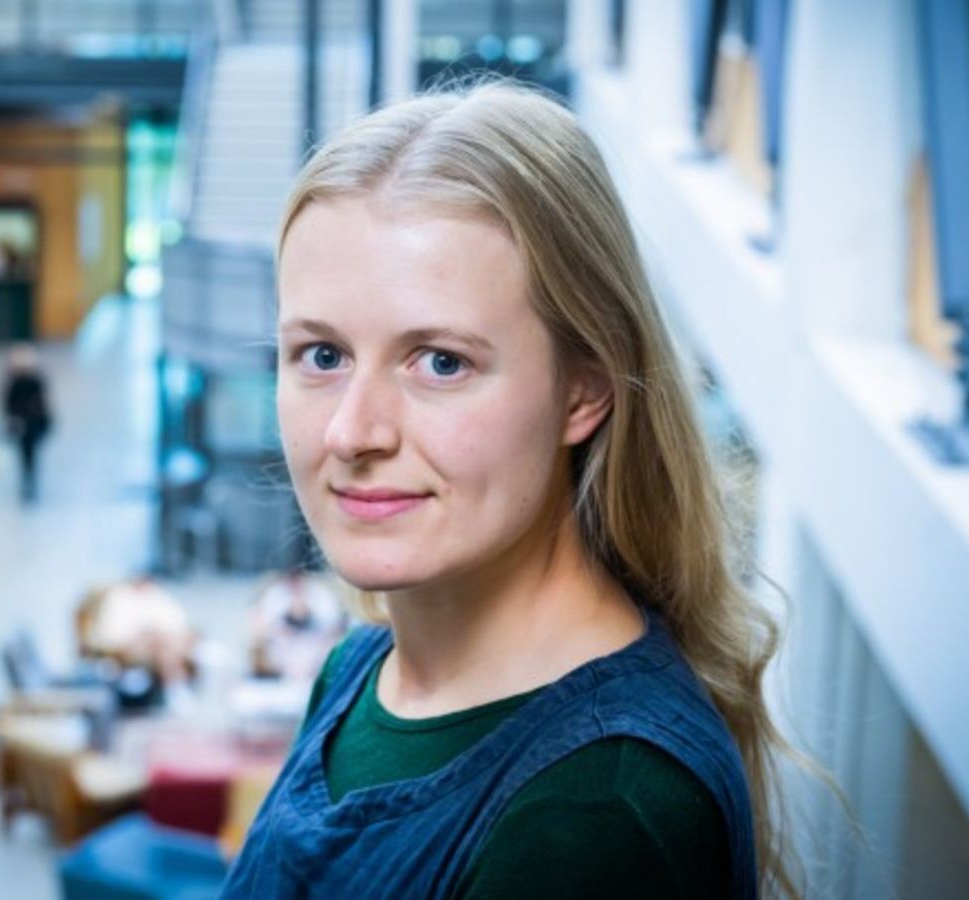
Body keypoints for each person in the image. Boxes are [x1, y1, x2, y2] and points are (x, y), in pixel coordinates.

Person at [222, 83, 801, 899]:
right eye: (321, 356)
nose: (352, 433)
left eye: (441, 362)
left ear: (582, 392)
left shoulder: (594, 813)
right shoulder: (359, 669)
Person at [2, 343, 53, 502]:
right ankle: (27, 483)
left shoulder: (35, 381)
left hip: (32, 426)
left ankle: (30, 483)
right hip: (22, 426)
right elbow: (8, 405)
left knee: (30, 456)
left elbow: (44, 405)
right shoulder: (16, 382)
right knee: (25, 456)